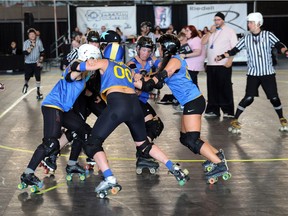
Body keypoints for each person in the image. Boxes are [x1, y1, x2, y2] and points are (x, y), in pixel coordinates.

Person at [76, 43, 190, 198]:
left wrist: (78, 62)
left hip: (118, 103)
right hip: (135, 105)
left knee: (92, 144)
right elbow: (142, 83)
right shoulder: (127, 69)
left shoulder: (105, 62)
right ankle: (173, 167)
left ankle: (109, 178)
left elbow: (84, 67)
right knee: (143, 144)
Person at [134, 34, 232, 184]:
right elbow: (158, 81)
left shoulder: (174, 61)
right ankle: (217, 155)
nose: (158, 49)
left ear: (166, 47)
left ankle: (219, 164)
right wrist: (143, 78)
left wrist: (140, 80)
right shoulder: (169, 61)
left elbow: (157, 80)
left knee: (192, 139)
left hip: (193, 101)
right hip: (190, 102)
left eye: (160, 46)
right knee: (185, 138)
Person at [18, 44, 102, 191]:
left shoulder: (85, 74)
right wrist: (88, 63)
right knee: (50, 143)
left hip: (64, 109)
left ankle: (72, 164)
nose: (95, 63)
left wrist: (97, 96)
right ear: (87, 58)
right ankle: (28, 173)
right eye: (93, 60)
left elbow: (85, 88)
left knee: (81, 130)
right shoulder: (75, 67)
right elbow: (73, 72)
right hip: (53, 106)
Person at [215, 12, 288, 133]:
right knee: (248, 98)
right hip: (253, 73)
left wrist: (285, 51)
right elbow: (234, 50)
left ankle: (282, 118)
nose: (249, 24)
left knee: (274, 98)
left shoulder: (268, 35)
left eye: (251, 22)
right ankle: (235, 119)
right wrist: (222, 56)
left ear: (258, 23)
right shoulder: (246, 38)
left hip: (267, 73)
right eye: (248, 22)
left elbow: (279, 45)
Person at [126, 36, 163, 173]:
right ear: (137, 49)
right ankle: (143, 154)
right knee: (153, 125)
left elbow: (163, 67)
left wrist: (156, 60)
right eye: (143, 50)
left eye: (148, 51)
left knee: (157, 125)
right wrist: (150, 89)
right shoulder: (132, 64)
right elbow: (134, 88)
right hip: (133, 101)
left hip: (140, 100)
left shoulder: (149, 61)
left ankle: (143, 152)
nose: (146, 53)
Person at [201, 12, 238, 118]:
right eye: (215, 20)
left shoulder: (229, 31)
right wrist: (209, 32)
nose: (216, 22)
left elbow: (235, 48)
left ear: (223, 20)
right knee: (212, 88)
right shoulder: (211, 31)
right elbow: (203, 42)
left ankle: (228, 111)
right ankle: (213, 110)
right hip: (211, 64)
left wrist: (230, 60)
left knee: (224, 88)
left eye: (218, 20)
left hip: (223, 64)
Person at [22, 28, 45, 100]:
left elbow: (42, 52)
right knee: (27, 76)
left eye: (33, 34)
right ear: (28, 36)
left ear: (35, 35)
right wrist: (32, 46)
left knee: (38, 76)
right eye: (30, 34)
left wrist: (40, 61)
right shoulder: (25, 43)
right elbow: (25, 53)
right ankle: (26, 84)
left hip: (36, 62)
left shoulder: (39, 42)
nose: (32, 36)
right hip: (28, 63)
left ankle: (38, 91)